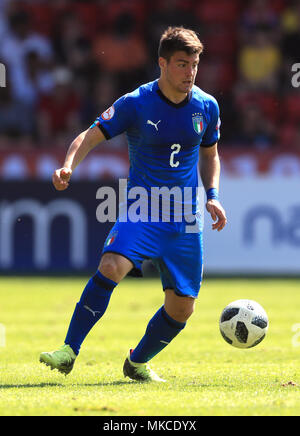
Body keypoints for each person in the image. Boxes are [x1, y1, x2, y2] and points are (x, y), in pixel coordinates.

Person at [40, 26, 227, 382]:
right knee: (111, 265)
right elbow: (90, 135)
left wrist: (213, 195)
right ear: (162, 63)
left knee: (182, 309)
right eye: (182, 64)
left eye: (195, 65)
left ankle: (137, 362)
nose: (190, 73)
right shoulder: (136, 103)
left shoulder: (207, 106)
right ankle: (68, 350)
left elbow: (211, 155)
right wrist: (68, 165)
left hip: (185, 219)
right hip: (144, 209)